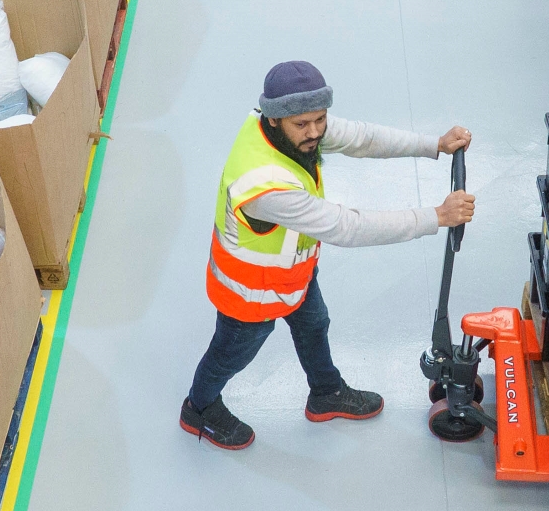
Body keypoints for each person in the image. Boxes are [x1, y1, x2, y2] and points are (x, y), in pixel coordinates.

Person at [182, 61, 475, 450]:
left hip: (293, 275)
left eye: (320, 119)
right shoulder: (265, 185)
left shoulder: (292, 126)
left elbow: (361, 138)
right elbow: (346, 227)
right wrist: (436, 216)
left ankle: (326, 392)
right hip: (249, 294)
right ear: (274, 119)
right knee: (230, 355)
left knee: (314, 324)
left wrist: (433, 144)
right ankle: (198, 408)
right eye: (303, 124)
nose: (314, 132)